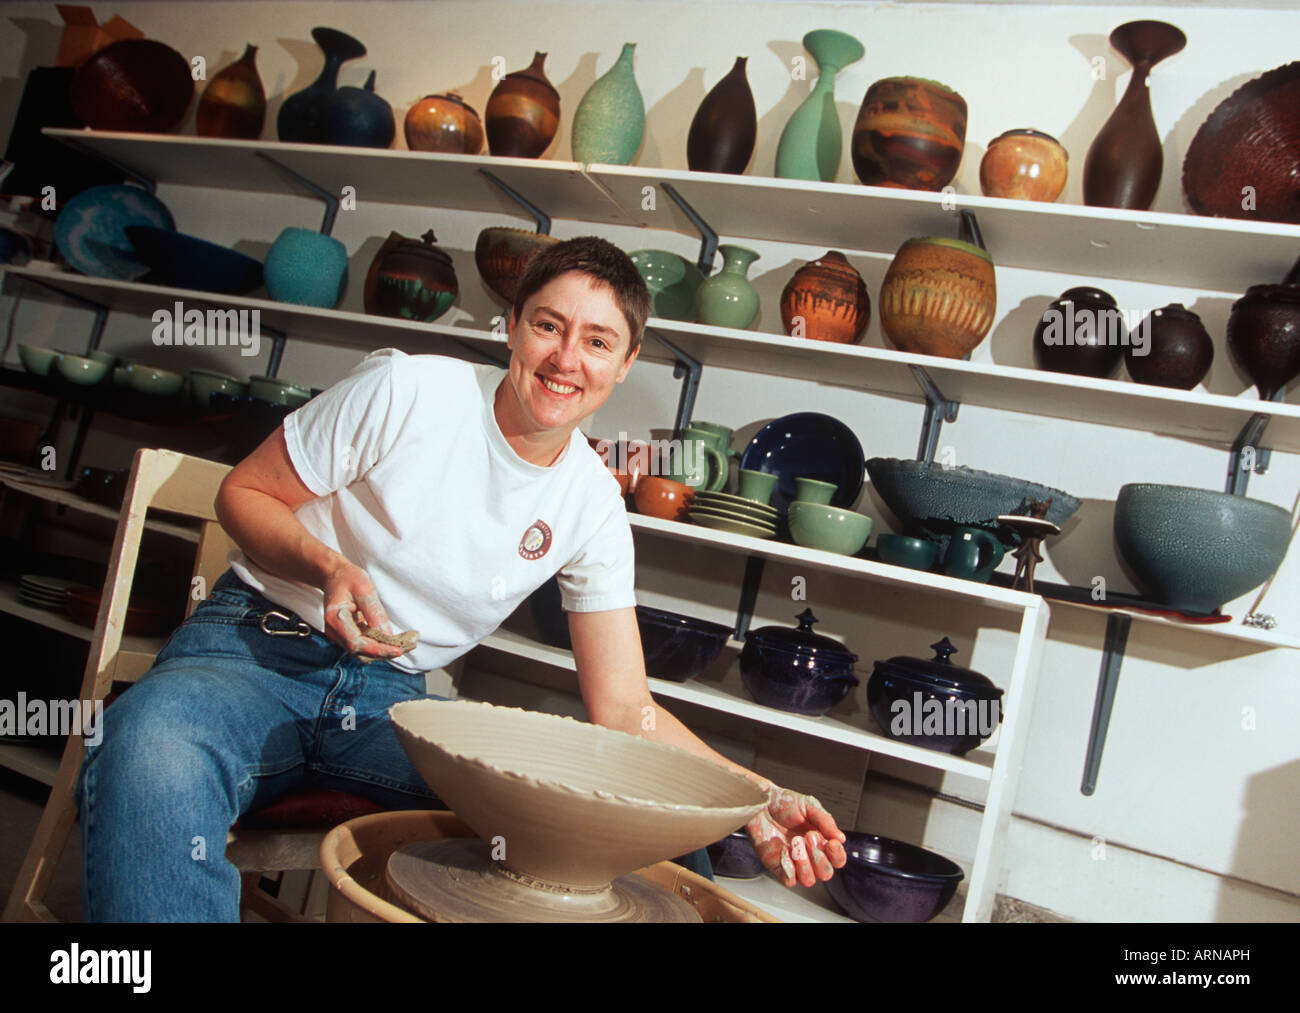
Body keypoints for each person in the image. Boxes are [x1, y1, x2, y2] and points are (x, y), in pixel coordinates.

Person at [75, 236, 846, 921]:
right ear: (513, 326)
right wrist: (328, 564)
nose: (566, 358)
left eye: (597, 340)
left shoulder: (592, 505)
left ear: (625, 361)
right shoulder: (410, 390)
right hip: (251, 651)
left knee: (647, 839)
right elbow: (242, 492)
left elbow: (625, 707)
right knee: (154, 748)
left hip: (392, 710)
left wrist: (757, 799)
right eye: (548, 325)